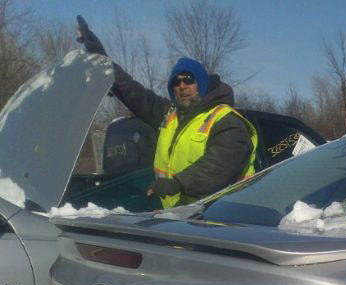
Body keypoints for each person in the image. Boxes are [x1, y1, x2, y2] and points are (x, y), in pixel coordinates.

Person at [76, 16, 257, 208]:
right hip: (181, 218)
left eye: (188, 79)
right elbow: (133, 93)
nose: (182, 86)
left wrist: (178, 183)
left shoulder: (227, 121)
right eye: (175, 82)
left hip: (223, 219)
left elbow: (219, 165)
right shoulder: (170, 116)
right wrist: (100, 57)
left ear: (201, 84)